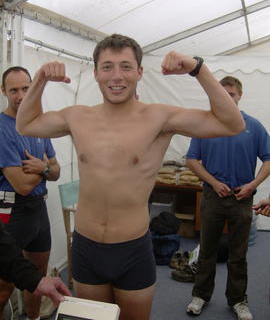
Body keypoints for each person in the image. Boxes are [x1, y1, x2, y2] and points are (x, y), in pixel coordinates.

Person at [16, 34, 244, 320]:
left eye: (125, 66)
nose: (116, 76)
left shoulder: (159, 117)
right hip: (86, 247)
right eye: (107, 67)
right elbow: (26, 124)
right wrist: (39, 79)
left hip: (132, 249)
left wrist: (198, 69)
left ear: (139, 72)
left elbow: (232, 123)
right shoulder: (77, 116)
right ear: (95, 73)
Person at [185, 76, 270, 320]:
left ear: (239, 96)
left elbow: (268, 158)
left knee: (238, 254)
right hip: (212, 196)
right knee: (207, 251)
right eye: (221, 94)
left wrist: (253, 185)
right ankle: (200, 295)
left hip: (242, 197)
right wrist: (212, 181)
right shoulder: (205, 126)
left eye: (230, 94)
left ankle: (238, 300)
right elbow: (191, 159)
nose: (226, 98)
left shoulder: (253, 126)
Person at [0, 66, 61, 320]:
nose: (21, 95)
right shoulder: (2, 128)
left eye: (26, 88)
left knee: (38, 277)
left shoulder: (39, 123)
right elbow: (21, 185)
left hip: (38, 210)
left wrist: (43, 166)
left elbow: (57, 171)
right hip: (12, 211)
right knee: (4, 286)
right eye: (14, 90)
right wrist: (45, 167)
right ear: (4, 91)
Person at [0, 220, 70, 306]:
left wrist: (36, 280)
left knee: (38, 275)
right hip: (12, 217)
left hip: (37, 215)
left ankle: (35, 318)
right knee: (4, 290)